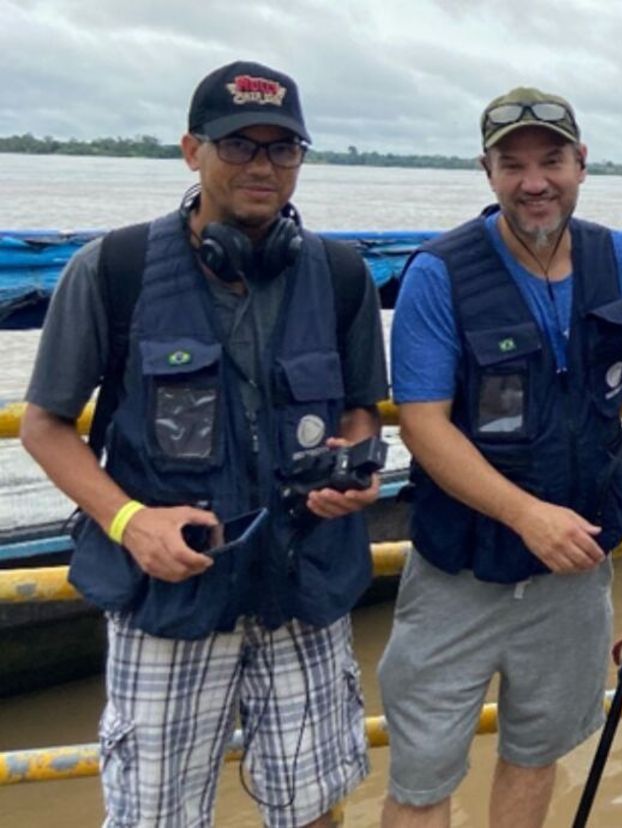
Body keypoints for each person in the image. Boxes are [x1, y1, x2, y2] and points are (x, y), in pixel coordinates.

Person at [377, 87, 622, 828]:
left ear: (582, 164)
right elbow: (424, 426)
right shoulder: (439, 274)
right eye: (514, 164)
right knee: (422, 773)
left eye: (552, 160)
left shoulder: (614, 256)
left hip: (574, 567)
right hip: (459, 571)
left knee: (537, 753)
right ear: (487, 171)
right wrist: (526, 515)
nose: (535, 181)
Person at [19, 61, 386, 827]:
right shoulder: (113, 270)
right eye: (239, 146)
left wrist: (355, 468)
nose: (263, 166)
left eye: (282, 149)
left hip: (303, 594)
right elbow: (44, 426)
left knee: (316, 806)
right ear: (193, 150)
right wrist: (129, 523)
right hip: (169, 598)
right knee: (153, 815)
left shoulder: (342, 274)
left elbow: (361, 413)